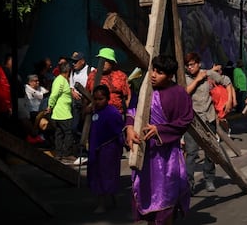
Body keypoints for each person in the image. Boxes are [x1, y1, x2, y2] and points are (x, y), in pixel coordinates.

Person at [125, 54, 193, 225]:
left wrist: (160, 129)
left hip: (167, 155)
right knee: (145, 191)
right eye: (153, 70)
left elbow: (185, 119)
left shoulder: (179, 94)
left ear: (170, 76)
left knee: (166, 196)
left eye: (160, 72)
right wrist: (130, 128)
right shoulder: (144, 89)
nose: (154, 75)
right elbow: (133, 110)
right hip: (145, 153)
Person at [183, 52, 233, 193]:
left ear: (198, 64)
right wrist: (197, 80)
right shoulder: (184, 77)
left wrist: (229, 100)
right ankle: (189, 182)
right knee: (191, 152)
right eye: (187, 65)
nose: (189, 68)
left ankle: (209, 179)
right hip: (192, 120)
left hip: (208, 118)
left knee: (210, 151)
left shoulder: (209, 74)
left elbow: (226, 81)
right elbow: (184, 93)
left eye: (192, 64)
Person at [87, 84, 124, 214]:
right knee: (96, 174)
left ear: (107, 98)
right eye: (95, 99)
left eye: (100, 99)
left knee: (106, 175)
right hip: (95, 148)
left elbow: (119, 132)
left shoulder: (113, 113)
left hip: (108, 149)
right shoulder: (93, 111)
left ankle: (103, 203)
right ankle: (108, 199)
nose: (97, 102)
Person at [86, 48, 131, 116]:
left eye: (106, 60)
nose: (103, 63)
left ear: (112, 62)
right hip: (96, 114)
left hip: (115, 114)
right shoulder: (93, 75)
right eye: (101, 60)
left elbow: (127, 96)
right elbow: (87, 93)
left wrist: (124, 112)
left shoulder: (120, 76)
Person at [46, 62, 74, 163]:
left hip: (61, 112)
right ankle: (66, 153)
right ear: (68, 71)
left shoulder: (61, 80)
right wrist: (50, 106)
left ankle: (59, 154)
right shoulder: (60, 81)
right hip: (63, 112)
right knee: (68, 133)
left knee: (59, 133)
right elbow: (54, 94)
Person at [69, 51, 94, 163]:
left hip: (87, 103)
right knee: (75, 128)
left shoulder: (91, 71)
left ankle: (86, 153)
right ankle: (82, 152)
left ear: (82, 61)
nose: (73, 64)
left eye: (76, 61)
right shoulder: (73, 72)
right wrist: (72, 92)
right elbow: (71, 86)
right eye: (72, 61)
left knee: (88, 128)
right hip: (77, 104)